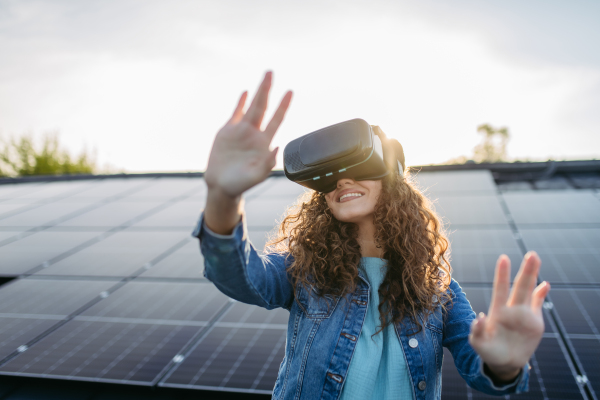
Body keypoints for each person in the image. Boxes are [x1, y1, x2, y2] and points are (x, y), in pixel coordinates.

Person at [193, 71, 550, 400]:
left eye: (359, 167)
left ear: (391, 181)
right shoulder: (306, 272)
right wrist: (223, 196)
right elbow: (238, 274)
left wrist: (504, 364)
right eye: (328, 177)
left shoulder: (437, 292)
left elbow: (481, 367)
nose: (343, 181)